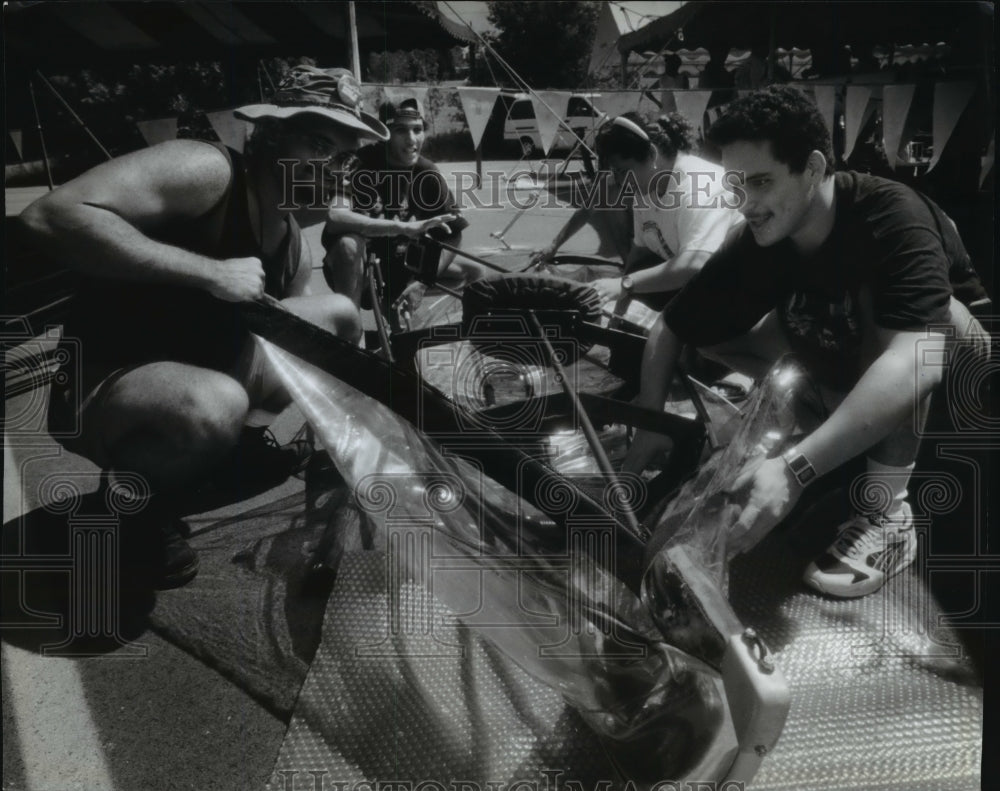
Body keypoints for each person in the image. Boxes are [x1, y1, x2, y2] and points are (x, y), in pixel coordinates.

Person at [19, 65, 389, 589]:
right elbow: (51, 217)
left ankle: (232, 443)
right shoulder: (206, 168)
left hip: (206, 369)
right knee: (214, 405)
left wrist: (367, 411)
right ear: (271, 134)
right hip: (104, 383)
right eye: (318, 143)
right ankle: (131, 508)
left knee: (337, 316)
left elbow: (299, 343)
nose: (333, 166)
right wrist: (208, 272)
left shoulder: (288, 239)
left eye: (345, 156)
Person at [623, 85, 990, 598]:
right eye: (735, 185)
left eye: (761, 182)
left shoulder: (890, 216)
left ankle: (887, 510)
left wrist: (795, 470)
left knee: (933, 325)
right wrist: (650, 418)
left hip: (963, 396)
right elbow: (676, 324)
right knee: (718, 334)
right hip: (869, 375)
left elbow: (918, 359)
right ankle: (835, 430)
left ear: (813, 168)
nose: (744, 202)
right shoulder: (759, 235)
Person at [322, 97, 485, 328]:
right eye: (401, 130)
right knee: (348, 245)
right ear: (385, 133)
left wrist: (422, 280)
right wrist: (403, 227)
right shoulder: (360, 163)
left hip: (404, 266)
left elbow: (452, 233)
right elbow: (335, 217)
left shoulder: (426, 171)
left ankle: (465, 339)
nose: (412, 140)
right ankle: (351, 332)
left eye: (417, 130)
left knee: (476, 273)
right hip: (360, 266)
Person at [586, 113, 744, 312]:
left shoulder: (700, 187)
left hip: (740, 290)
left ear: (652, 154)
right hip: (701, 284)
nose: (620, 182)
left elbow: (696, 263)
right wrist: (620, 300)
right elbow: (640, 253)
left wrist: (625, 284)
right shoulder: (645, 188)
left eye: (623, 171)